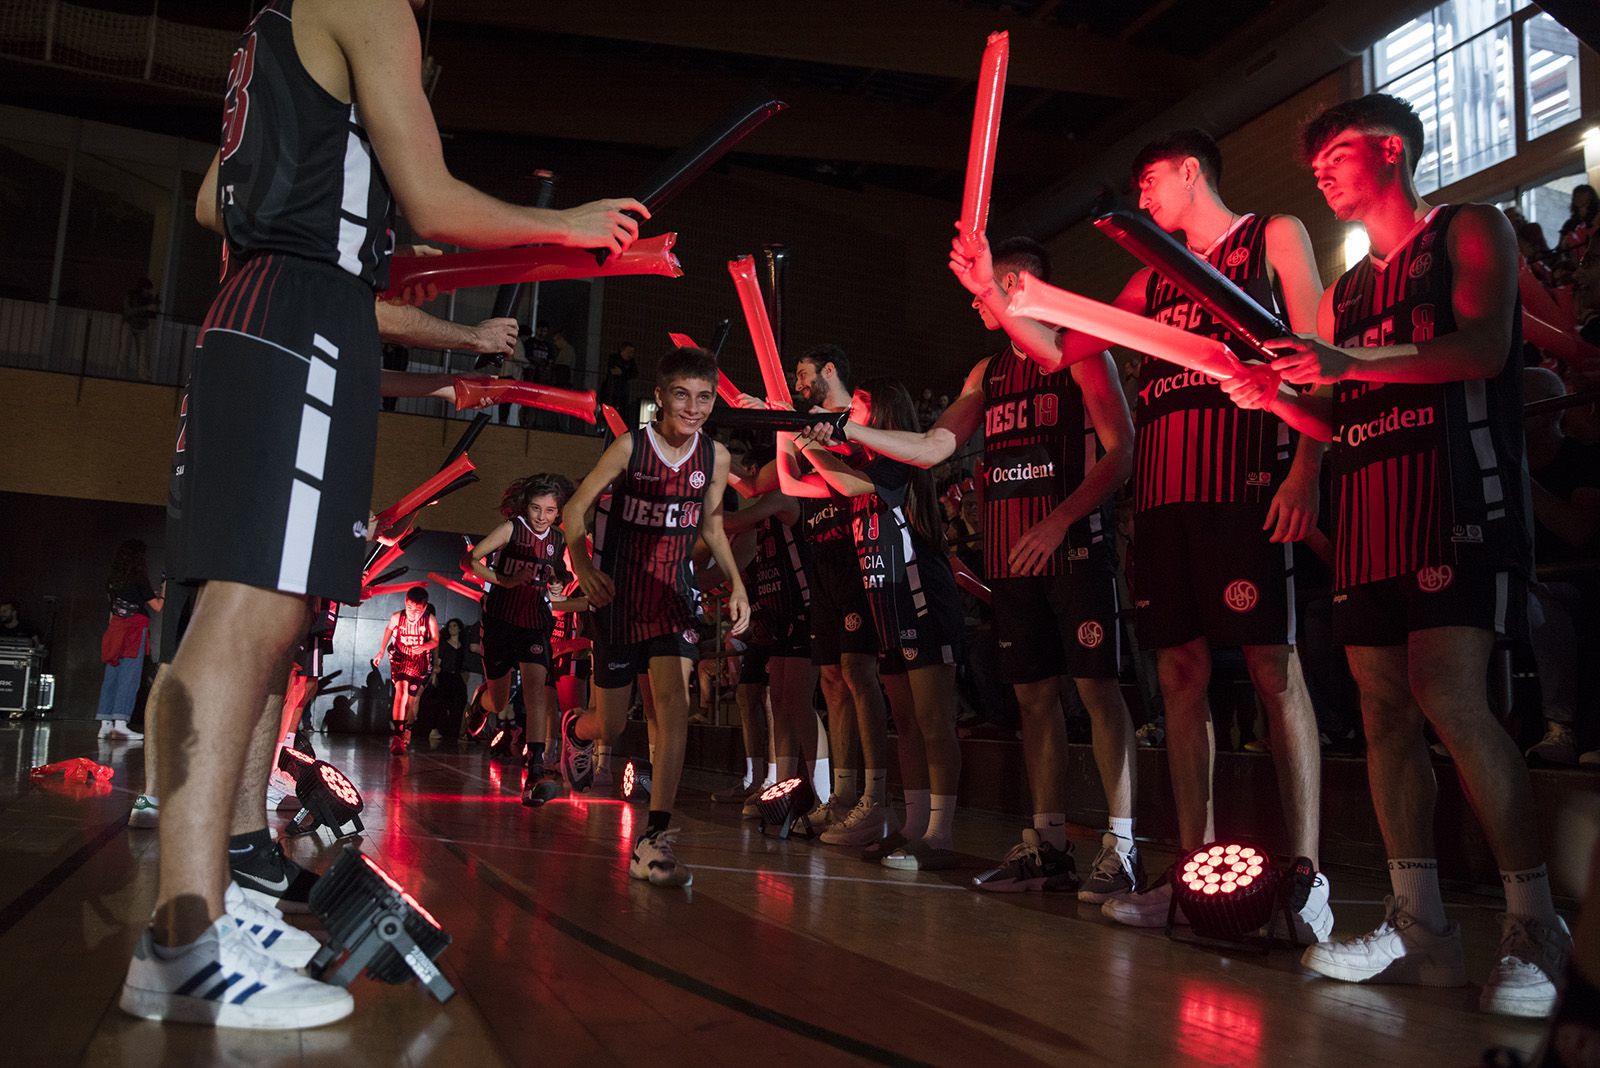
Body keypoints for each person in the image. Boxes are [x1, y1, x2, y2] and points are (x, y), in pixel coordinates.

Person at [125, 0, 649, 1030]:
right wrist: (567, 226)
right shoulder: (369, 3)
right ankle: (183, 939)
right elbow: (432, 199)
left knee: (259, 625)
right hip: (298, 318)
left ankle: (215, 903)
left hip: (266, 307)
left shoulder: (277, 22)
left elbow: (209, 204)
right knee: (241, 624)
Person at [1230, 91, 1571, 1017]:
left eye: (1336, 154)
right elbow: (1338, 411)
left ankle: (1536, 924)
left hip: (1459, 494)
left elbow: (1483, 346)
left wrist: (1344, 366)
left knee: (1452, 698)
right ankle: (1423, 925)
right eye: (1315, 168)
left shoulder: (1470, 228)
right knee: (1383, 715)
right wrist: (1276, 397)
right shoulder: (1346, 290)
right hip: (1373, 512)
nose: (1324, 173)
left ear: (1390, 150)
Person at [956, 130, 1334, 936]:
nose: (1144, 195)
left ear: (1191, 172)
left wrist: (1305, 469)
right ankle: (1195, 872)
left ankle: (1306, 875)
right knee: (1181, 680)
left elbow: (1316, 357)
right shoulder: (1144, 281)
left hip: (1248, 488)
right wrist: (993, 293)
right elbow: (1059, 350)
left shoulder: (1274, 234)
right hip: (1164, 502)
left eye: (1150, 180)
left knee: (1273, 668)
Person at [810, 237, 1141, 897]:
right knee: (1033, 699)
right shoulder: (987, 373)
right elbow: (933, 446)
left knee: (1101, 695)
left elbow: (1122, 451)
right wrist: (853, 433)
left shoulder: (1081, 352)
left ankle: (1123, 845)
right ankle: (1046, 845)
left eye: (1006, 279)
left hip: (1074, 545)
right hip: (1014, 556)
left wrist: (1060, 519)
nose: (988, 291)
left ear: (1035, 287)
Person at [560, 346, 749, 887]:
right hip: (618, 597)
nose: (693, 407)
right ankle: (578, 730)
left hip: (673, 597)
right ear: (661, 397)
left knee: (675, 703)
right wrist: (583, 566)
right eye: (683, 395)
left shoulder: (715, 457)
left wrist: (736, 583)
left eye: (705, 397)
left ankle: (655, 835)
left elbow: (712, 527)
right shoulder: (629, 448)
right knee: (612, 724)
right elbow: (575, 510)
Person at [784, 379, 965, 869]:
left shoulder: (898, 459)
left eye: (861, 407)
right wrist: (802, 432)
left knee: (932, 719)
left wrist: (807, 440)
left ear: (883, 412)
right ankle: (911, 824)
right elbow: (823, 481)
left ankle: (940, 833)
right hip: (887, 603)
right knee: (904, 719)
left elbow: (850, 483)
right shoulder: (867, 460)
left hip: (921, 598)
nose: (852, 413)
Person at [463, 473, 579, 805]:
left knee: (537, 693)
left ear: (559, 512)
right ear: (525, 506)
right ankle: (481, 702)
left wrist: (558, 581)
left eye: (550, 510)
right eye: (536, 508)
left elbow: (560, 570)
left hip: (534, 623)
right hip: (500, 620)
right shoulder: (511, 529)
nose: (543, 516)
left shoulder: (558, 539)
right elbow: (472, 560)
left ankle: (537, 769)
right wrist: (507, 580)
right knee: (500, 702)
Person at [1520, 367, 1600, 766]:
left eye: (1523, 403)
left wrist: (1521, 480)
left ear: (1550, 409)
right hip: (1523, 581)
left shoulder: (1582, 458)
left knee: (1542, 600)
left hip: (1575, 581)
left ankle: (1561, 728)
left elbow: (1578, 531)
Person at [96, 540, 163, 739]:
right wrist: (165, 590)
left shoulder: (112, 580)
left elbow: (113, 608)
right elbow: (158, 606)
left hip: (115, 627)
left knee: (112, 675)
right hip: (134, 629)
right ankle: (121, 723)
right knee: (129, 676)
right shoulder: (139, 578)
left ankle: (105, 723)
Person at [373, 587, 439, 755]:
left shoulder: (429, 620)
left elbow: (436, 641)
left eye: (417, 610)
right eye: (410, 608)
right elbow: (388, 630)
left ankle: (406, 728)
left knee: (410, 701)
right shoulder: (397, 617)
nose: (412, 613)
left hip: (419, 662)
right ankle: (397, 735)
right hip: (400, 658)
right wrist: (380, 651)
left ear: (424, 608)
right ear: (405, 603)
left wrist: (424, 646)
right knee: (400, 692)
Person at [122, 277, 160, 380]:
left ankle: (143, 375)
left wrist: (154, 298)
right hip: (130, 324)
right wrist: (146, 308)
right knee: (125, 351)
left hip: (142, 326)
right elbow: (128, 311)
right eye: (147, 289)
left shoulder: (148, 298)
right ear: (143, 289)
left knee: (143, 354)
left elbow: (154, 312)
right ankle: (121, 375)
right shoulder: (132, 295)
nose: (148, 292)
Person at [602, 341, 638, 412]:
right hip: (611, 389)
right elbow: (613, 371)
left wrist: (622, 372)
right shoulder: (614, 358)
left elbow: (634, 373)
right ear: (623, 350)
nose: (631, 354)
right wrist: (625, 373)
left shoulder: (631, 362)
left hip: (623, 391)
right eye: (629, 351)